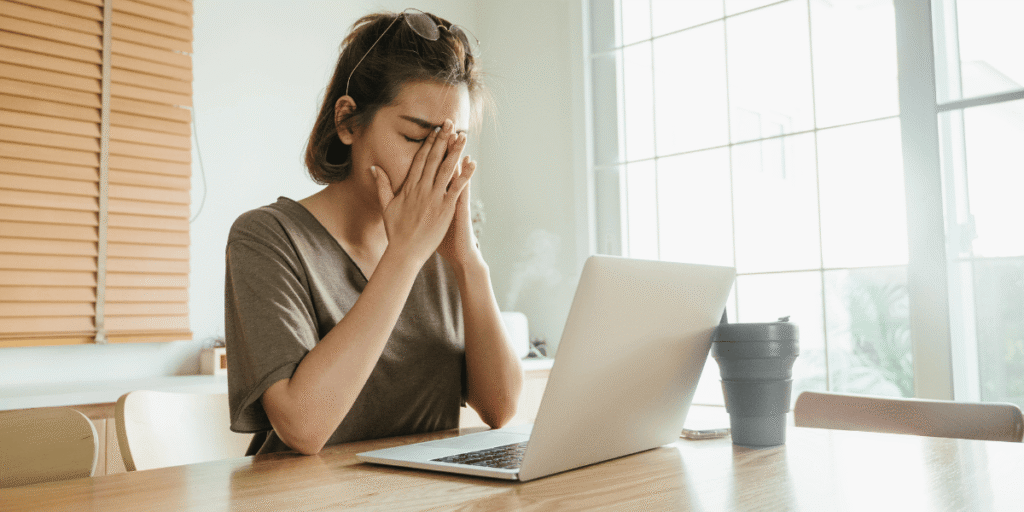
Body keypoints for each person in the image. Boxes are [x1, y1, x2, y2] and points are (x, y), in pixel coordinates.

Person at [224, 9, 523, 456]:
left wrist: (468, 261)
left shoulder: (444, 249)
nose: (436, 164)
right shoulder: (267, 236)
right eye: (417, 138)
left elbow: (499, 408)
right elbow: (303, 428)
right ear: (348, 122)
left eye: (451, 143)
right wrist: (403, 256)